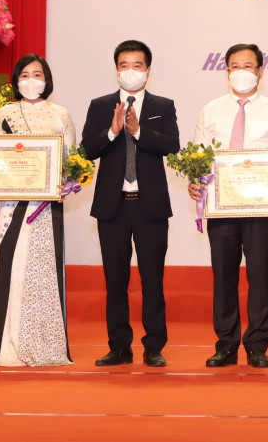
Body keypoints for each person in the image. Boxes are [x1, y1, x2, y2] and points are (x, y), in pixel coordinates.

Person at [188, 44, 268, 369]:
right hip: (221, 208)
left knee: (260, 277)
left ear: (260, 71)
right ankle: (226, 345)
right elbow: (198, 153)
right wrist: (194, 181)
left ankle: (257, 345)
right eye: (235, 66)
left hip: (262, 209)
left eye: (248, 66)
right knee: (223, 277)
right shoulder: (211, 111)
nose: (241, 72)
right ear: (226, 71)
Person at [81, 40, 180, 368]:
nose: (131, 71)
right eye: (124, 65)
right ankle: (119, 346)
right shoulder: (100, 105)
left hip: (150, 207)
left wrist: (138, 132)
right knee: (115, 282)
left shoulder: (163, 105)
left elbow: (172, 145)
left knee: (153, 281)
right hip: (113, 207)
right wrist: (112, 133)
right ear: (116, 70)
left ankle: (154, 346)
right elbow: (87, 150)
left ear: (148, 70)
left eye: (137, 65)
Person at [0, 54, 76, 366]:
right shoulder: (5, 114)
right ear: (16, 81)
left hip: (47, 206)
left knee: (44, 272)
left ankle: (46, 346)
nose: (31, 80)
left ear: (47, 79)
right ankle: (10, 347)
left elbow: (71, 160)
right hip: (11, 204)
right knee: (13, 268)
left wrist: (67, 181)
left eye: (37, 74)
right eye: (24, 75)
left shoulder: (61, 114)